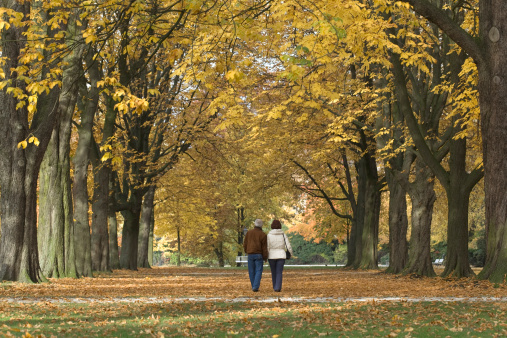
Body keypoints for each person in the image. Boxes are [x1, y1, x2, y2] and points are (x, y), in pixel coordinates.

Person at [267, 219, 293, 292]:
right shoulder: (283, 235)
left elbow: (267, 247)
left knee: (273, 272)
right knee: (279, 272)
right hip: (281, 255)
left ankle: (275, 286)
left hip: (271, 256)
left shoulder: (269, 235)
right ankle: (277, 287)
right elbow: (288, 246)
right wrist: (290, 254)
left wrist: (267, 255)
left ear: (272, 226)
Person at [243, 218, 268, 292]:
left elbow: (245, 244)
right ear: (261, 225)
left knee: (251, 271)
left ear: (255, 224)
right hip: (259, 254)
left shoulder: (249, 233)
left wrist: (246, 251)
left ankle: (253, 285)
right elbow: (264, 248)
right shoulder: (263, 235)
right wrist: (265, 257)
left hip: (250, 254)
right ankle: (255, 286)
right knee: (258, 270)